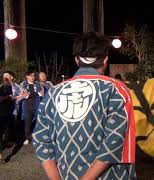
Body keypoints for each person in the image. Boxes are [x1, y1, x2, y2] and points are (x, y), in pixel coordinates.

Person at [32, 32, 136, 180]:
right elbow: (115, 140)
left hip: (65, 174)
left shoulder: (53, 92)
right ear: (105, 59)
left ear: (76, 60)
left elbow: (41, 138)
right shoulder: (116, 88)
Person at [20, 71, 44, 145]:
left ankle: (39, 138)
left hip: (37, 106)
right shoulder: (23, 84)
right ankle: (27, 138)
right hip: (27, 107)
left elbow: (41, 94)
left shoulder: (37, 83)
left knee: (39, 123)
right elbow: (25, 94)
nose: (32, 77)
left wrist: (30, 93)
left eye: (33, 76)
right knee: (27, 124)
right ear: (27, 76)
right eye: (30, 76)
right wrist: (35, 93)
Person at [0, 75, 14, 163]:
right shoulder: (2, 88)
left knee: (6, 133)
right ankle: (0, 155)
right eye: (6, 80)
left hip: (7, 114)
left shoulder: (10, 88)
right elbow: (0, 99)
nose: (7, 81)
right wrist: (8, 96)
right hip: (1, 114)